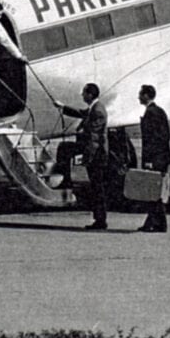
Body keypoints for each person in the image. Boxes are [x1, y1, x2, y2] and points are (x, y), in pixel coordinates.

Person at [52, 83, 111, 230]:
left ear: (90, 95)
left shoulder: (97, 111)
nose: (82, 95)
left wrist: (87, 157)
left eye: (84, 93)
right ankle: (66, 180)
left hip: (95, 154)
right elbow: (80, 113)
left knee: (97, 188)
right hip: (92, 150)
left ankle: (100, 220)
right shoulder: (94, 108)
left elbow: (94, 138)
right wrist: (62, 107)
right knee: (64, 148)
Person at [136, 84, 170, 233]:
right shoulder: (158, 111)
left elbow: (155, 139)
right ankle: (158, 223)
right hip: (161, 158)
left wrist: (150, 159)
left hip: (155, 159)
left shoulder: (151, 113)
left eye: (140, 94)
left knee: (153, 191)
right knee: (156, 192)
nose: (138, 97)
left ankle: (153, 223)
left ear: (146, 95)